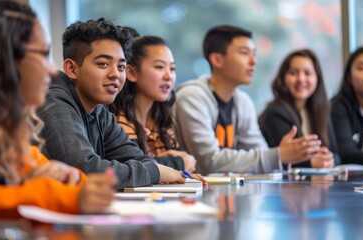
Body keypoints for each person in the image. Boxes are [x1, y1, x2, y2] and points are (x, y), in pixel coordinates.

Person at [0, 0, 117, 215]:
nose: (52, 70)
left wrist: (69, 177)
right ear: (3, 59)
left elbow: (45, 173)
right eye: (43, 55)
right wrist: (62, 195)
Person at [37, 18, 205, 188]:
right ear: (72, 69)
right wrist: (159, 172)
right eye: (103, 64)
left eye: (121, 67)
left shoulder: (100, 111)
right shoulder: (53, 101)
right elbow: (84, 169)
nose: (115, 74)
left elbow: (136, 157)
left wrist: (177, 175)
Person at [174, 25, 321, 175]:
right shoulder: (192, 97)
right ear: (217, 59)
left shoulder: (243, 102)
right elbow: (210, 162)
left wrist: (277, 156)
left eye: (254, 54)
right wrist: (278, 155)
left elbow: (259, 151)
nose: (253, 61)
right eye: (244, 53)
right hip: (190, 194)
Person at [109, 36, 197, 173]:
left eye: (172, 69)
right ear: (131, 72)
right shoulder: (119, 122)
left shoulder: (160, 118)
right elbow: (133, 169)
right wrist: (177, 163)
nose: (169, 76)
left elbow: (188, 168)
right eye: (159, 67)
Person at [259, 49, 339, 169]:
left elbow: (336, 154)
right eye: (293, 73)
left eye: (307, 73)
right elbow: (282, 158)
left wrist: (328, 160)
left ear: (317, 78)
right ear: (283, 78)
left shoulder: (320, 111)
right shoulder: (275, 113)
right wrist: (312, 163)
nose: (301, 79)